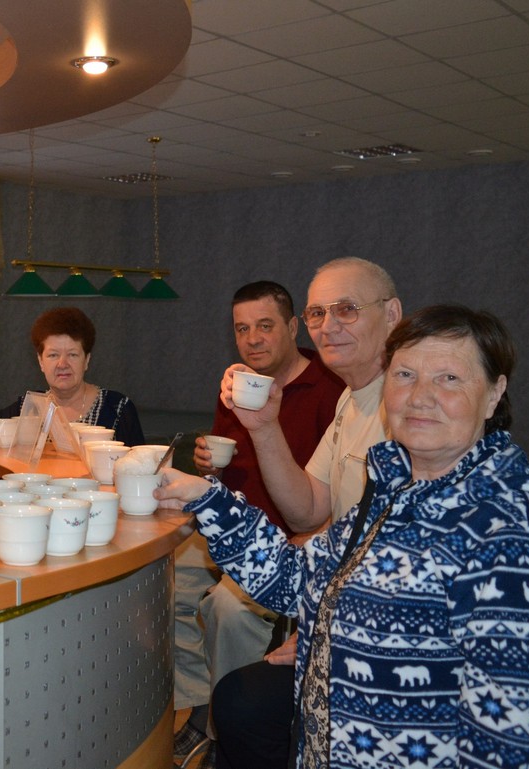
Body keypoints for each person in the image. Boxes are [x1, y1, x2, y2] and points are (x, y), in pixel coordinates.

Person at [159, 305, 529, 768]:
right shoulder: (397, 493)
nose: (420, 396)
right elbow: (295, 580)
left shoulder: (518, 542)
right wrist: (206, 498)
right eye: (405, 374)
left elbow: (520, 752)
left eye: (449, 378)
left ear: (494, 394)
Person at [200, 256, 403, 768]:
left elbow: (398, 555)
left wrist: (325, 630)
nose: (328, 326)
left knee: (241, 702)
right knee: (236, 698)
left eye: (347, 309)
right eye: (318, 313)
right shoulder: (353, 399)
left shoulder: (407, 406)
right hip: (331, 603)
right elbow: (308, 510)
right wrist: (264, 426)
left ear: (392, 314)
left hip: (380, 642)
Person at [172, 281, 345, 760]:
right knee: (166, 581)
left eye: (265, 326)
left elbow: (329, 501)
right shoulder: (238, 386)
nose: (252, 339)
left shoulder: (333, 389)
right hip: (229, 531)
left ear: (292, 327)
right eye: (242, 329)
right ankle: (200, 705)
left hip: (288, 544)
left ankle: (228, 732)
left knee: (225, 609)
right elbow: (230, 467)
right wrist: (210, 467)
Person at [0, 306, 145, 446]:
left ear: (86, 360)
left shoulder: (118, 409)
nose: (62, 364)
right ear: (41, 361)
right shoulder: (27, 408)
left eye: (72, 355)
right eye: (53, 355)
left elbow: (141, 462)